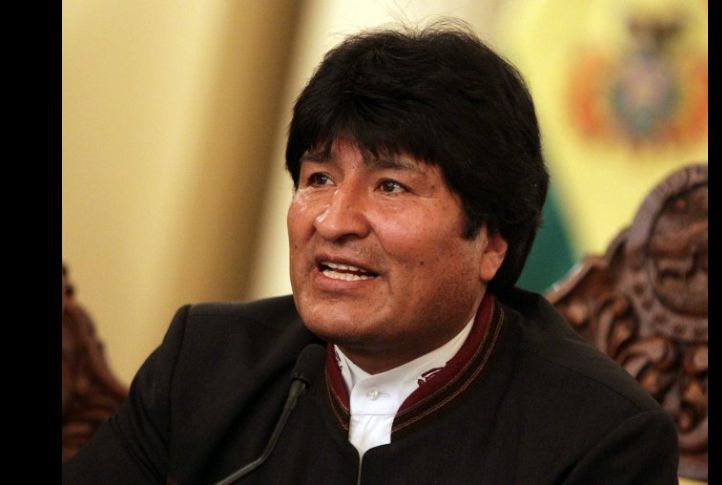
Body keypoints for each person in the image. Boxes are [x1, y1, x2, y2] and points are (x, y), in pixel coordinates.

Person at [63, 21, 679, 484]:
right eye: (319, 179)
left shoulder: (598, 437)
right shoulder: (204, 360)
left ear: (491, 240)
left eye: (391, 187)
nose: (335, 221)